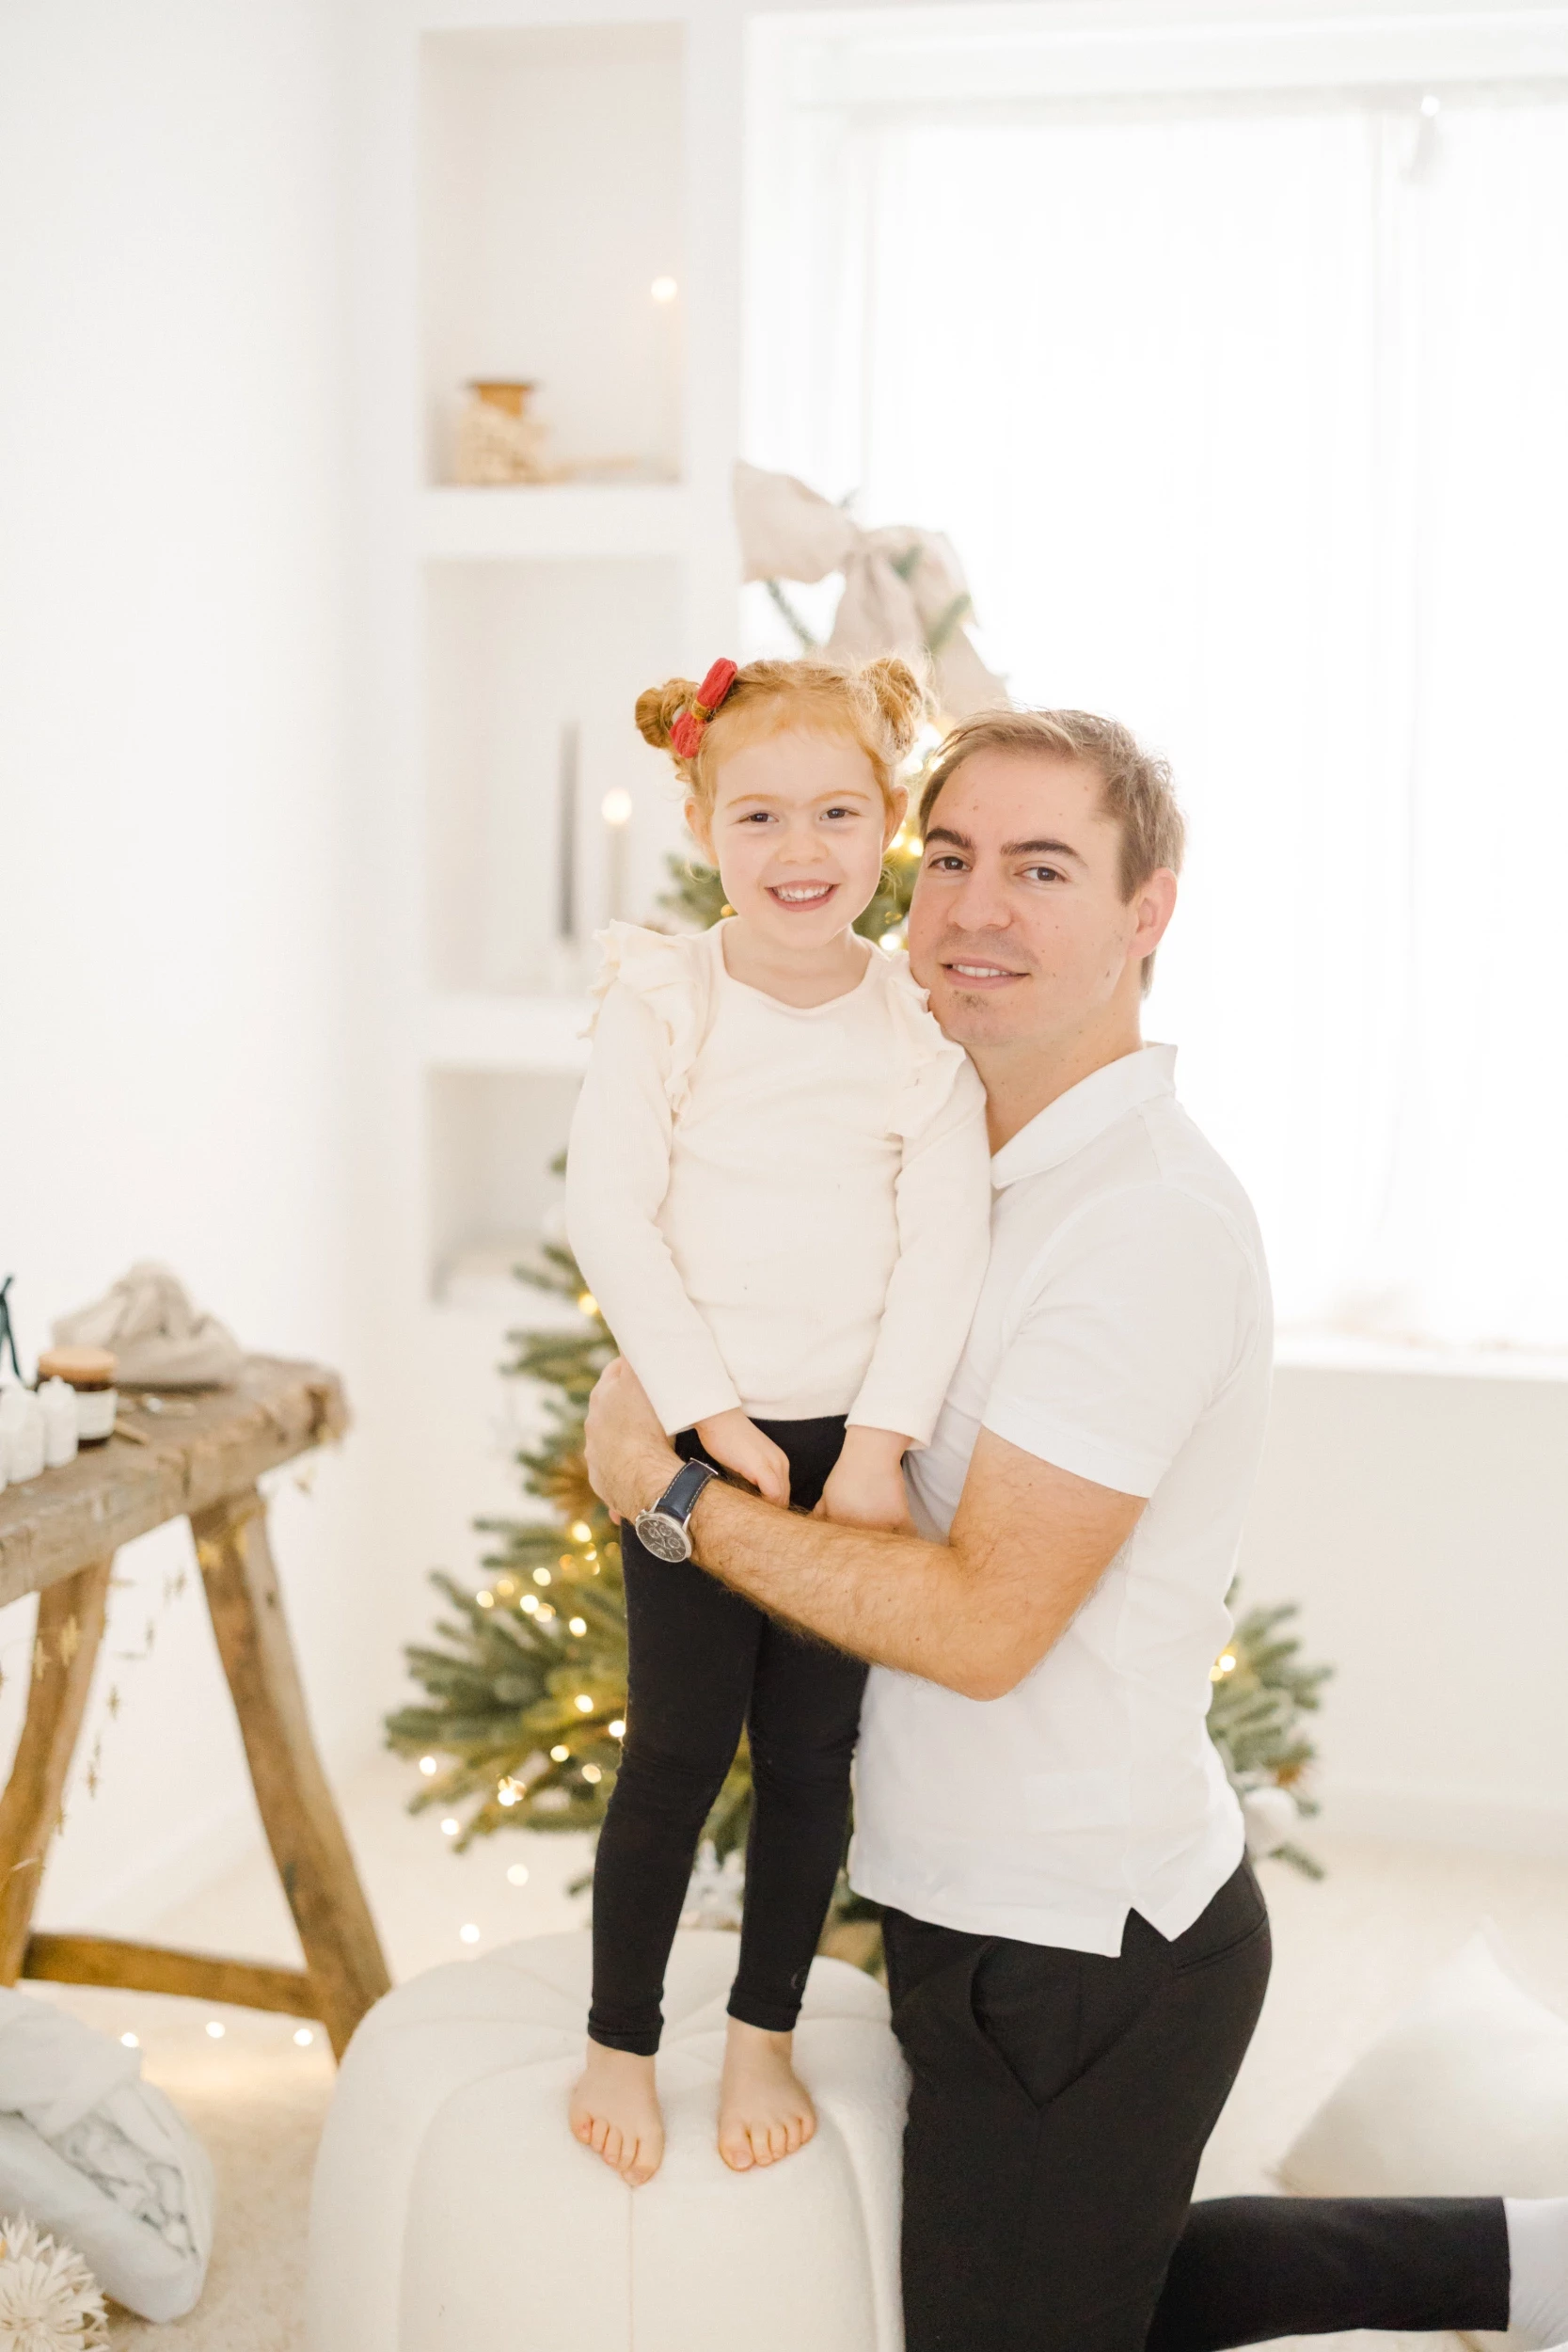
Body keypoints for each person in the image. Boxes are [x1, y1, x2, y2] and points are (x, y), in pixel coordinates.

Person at [584, 706, 1568, 2352]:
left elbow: (982, 1627)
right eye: (951, 858)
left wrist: (673, 1500)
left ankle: (1492, 2266)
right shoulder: (936, 1142)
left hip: (1081, 1951)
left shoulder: (1144, 1232)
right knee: (1072, 2274)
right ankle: (1512, 2256)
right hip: (957, 1899)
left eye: (1040, 868)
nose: (974, 910)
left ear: (1145, 914)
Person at [563, 654, 991, 2189]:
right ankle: (622, 2032)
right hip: (697, 1438)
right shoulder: (662, 998)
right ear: (699, 826)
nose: (797, 850)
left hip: (848, 1457)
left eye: (834, 812)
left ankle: (763, 2028)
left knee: (812, 1759)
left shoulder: (909, 1018)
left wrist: (876, 1448)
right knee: (674, 1751)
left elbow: (945, 1238)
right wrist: (702, 1411)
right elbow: (609, 1212)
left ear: (886, 822)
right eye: (759, 815)